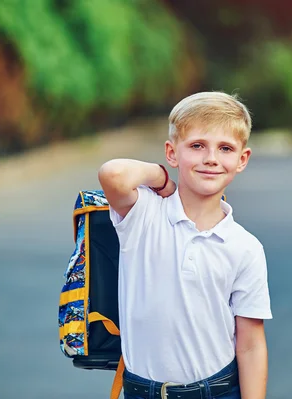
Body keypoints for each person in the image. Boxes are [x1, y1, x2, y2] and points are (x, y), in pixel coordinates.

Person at [98, 91, 273, 399]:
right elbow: (113, 174)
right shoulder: (144, 214)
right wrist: (161, 179)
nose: (211, 158)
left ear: (242, 159)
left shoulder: (245, 248)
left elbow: (250, 343)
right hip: (142, 392)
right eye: (196, 146)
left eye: (225, 148)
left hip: (216, 392)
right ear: (172, 152)